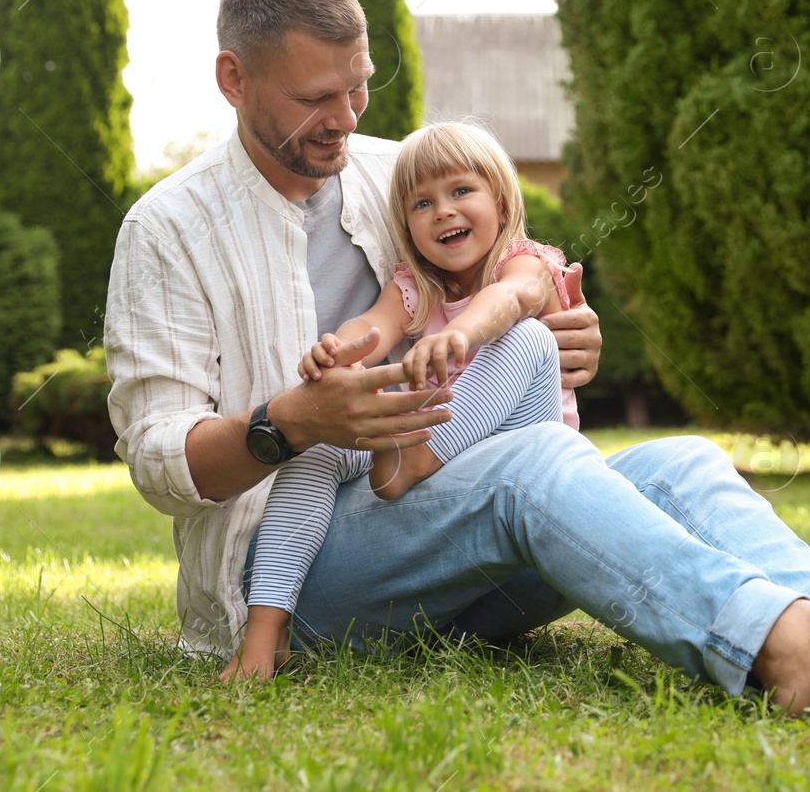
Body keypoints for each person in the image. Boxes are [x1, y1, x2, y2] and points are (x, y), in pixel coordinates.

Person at [105, 0, 810, 715]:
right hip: (293, 576)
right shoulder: (166, 231)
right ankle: (795, 651)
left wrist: (561, 326)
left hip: (440, 522)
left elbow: (509, 278)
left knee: (681, 461)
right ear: (234, 79)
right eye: (317, 97)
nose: (346, 119)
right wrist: (292, 422)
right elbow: (156, 461)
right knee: (534, 469)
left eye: (357, 89)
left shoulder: (398, 173)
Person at [224, 121, 580, 678]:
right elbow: (372, 327)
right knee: (317, 447)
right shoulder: (418, 285)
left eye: (462, 191)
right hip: (433, 464)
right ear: (406, 227)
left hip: (520, 463)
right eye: (422, 202)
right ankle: (265, 632)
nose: (443, 210)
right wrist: (334, 352)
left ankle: (413, 455)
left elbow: (514, 298)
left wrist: (464, 334)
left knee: (527, 335)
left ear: (503, 204)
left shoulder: (525, 261)